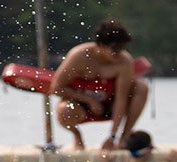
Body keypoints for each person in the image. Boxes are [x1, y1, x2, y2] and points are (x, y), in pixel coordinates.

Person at [50, 18, 149, 151]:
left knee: (142, 87)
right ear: (101, 44)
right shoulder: (79, 56)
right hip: (81, 105)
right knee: (63, 110)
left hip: (109, 105)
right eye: (115, 48)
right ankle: (77, 135)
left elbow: (121, 101)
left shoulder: (124, 62)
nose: (119, 52)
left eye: (122, 48)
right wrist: (88, 100)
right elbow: (56, 88)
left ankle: (124, 138)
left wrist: (112, 136)